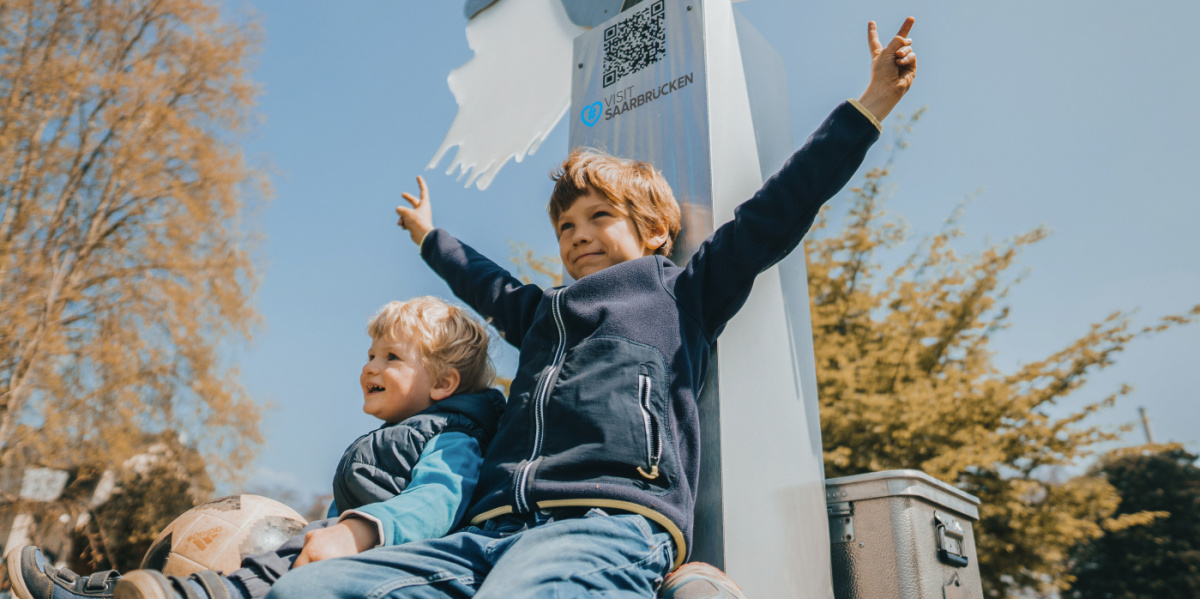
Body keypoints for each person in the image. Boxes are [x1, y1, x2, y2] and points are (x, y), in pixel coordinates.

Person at [263, 16, 917, 599]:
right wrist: (431, 238)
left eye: (599, 216)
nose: (576, 234)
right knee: (309, 588)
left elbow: (777, 210)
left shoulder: (683, 291)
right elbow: (484, 282)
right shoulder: (542, 314)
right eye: (565, 226)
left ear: (656, 230)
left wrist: (869, 107)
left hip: (609, 523)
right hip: (488, 530)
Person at [7, 297, 505, 599]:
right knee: (253, 573)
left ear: (443, 383)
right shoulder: (396, 437)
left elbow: (437, 502)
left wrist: (356, 534)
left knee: (241, 582)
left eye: (391, 357)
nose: (370, 367)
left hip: (375, 559)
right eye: (370, 354)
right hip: (333, 549)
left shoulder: (452, 438)